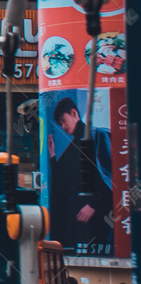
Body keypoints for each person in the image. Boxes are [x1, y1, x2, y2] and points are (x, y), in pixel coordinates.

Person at [48, 96, 114, 255]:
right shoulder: (73, 146)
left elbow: (111, 178)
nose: (63, 126)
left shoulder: (97, 136)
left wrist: (94, 205)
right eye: (60, 124)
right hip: (76, 221)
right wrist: (52, 156)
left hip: (97, 220)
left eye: (63, 120)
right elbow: (62, 182)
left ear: (74, 113)